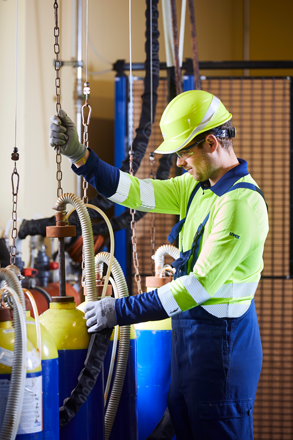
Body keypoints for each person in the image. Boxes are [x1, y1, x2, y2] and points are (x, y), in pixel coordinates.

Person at [49, 90, 269, 440]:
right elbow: (135, 192)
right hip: (191, 343)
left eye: (184, 152)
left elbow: (196, 288)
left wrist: (118, 310)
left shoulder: (240, 205)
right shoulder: (199, 188)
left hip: (221, 351)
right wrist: (82, 157)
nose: (180, 162)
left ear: (211, 143)